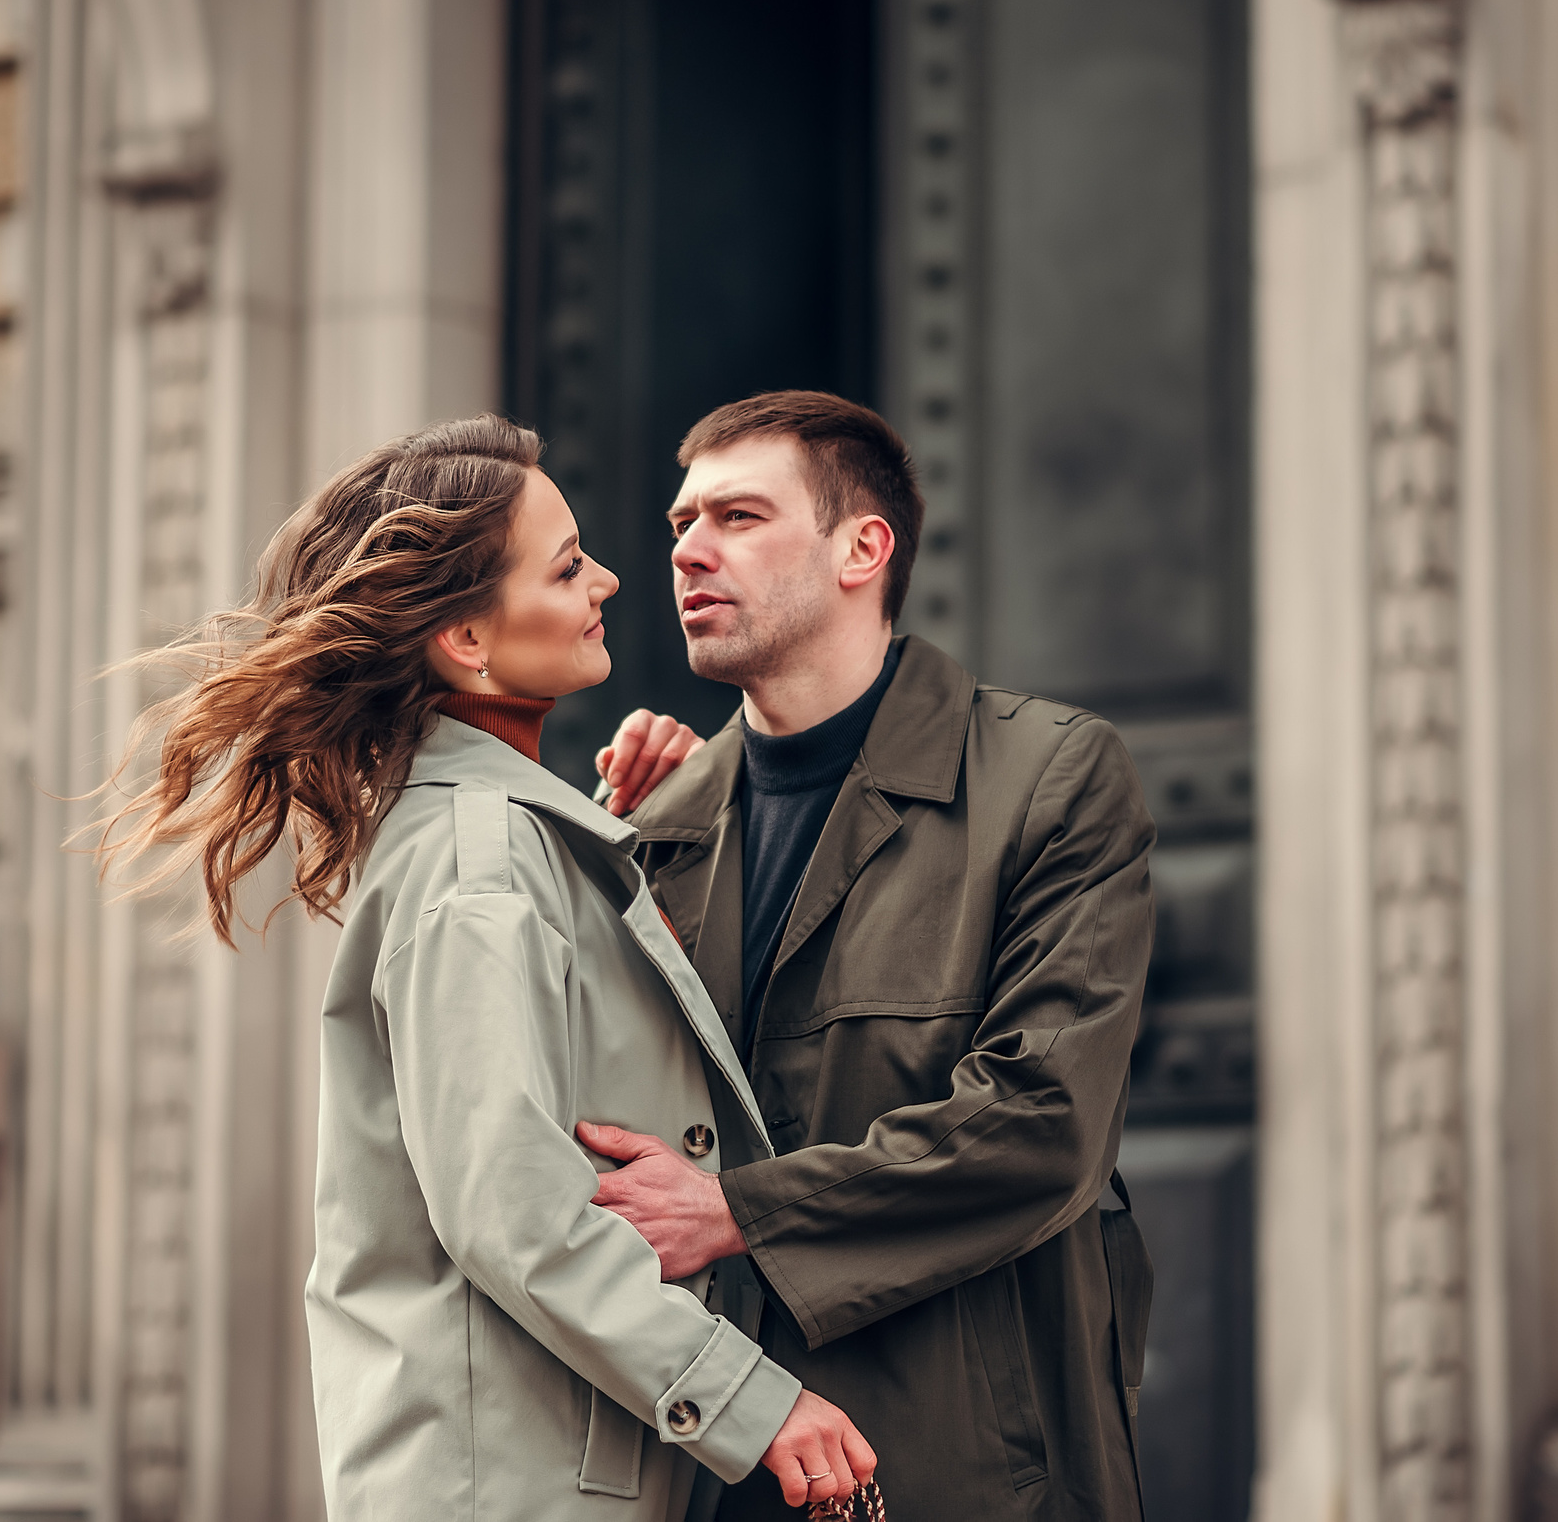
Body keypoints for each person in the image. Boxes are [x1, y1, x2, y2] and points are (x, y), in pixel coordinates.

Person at [98, 416, 877, 1520]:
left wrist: (637, 850)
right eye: (566, 567)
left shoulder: (505, 845)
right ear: (466, 639)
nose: (610, 578)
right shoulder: (479, 859)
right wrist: (750, 1401)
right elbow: (512, 1207)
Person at [584, 392, 1158, 1521]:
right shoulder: (651, 823)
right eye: (680, 524)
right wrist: (602, 851)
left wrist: (740, 1211)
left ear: (863, 546)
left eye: (738, 515)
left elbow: (1044, 1122)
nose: (689, 550)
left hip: (963, 1469)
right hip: (703, 1465)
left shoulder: (1050, 776)